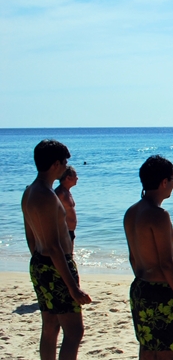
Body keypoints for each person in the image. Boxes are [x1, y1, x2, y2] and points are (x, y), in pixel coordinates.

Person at [21, 140, 92, 360]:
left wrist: (38, 259)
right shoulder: (47, 196)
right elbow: (53, 246)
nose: (65, 167)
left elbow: (30, 235)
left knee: (50, 325)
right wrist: (73, 287)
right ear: (55, 164)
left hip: (40, 263)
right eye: (64, 162)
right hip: (56, 264)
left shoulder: (29, 191)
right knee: (74, 331)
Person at [123, 155, 173, 358]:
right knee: (167, 352)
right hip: (160, 292)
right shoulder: (158, 215)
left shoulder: (131, 212)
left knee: (147, 349)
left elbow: (133, 258)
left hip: (141, 287)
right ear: (164, 182)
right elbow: (166, 264)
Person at [54, 166, 79, 242]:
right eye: (75, 176)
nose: (77, 178)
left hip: (69, 231)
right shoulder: (60, 193)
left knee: (70, 254)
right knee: (66, 254)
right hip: (63, 232)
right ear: (68, 178)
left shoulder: (66, 191)